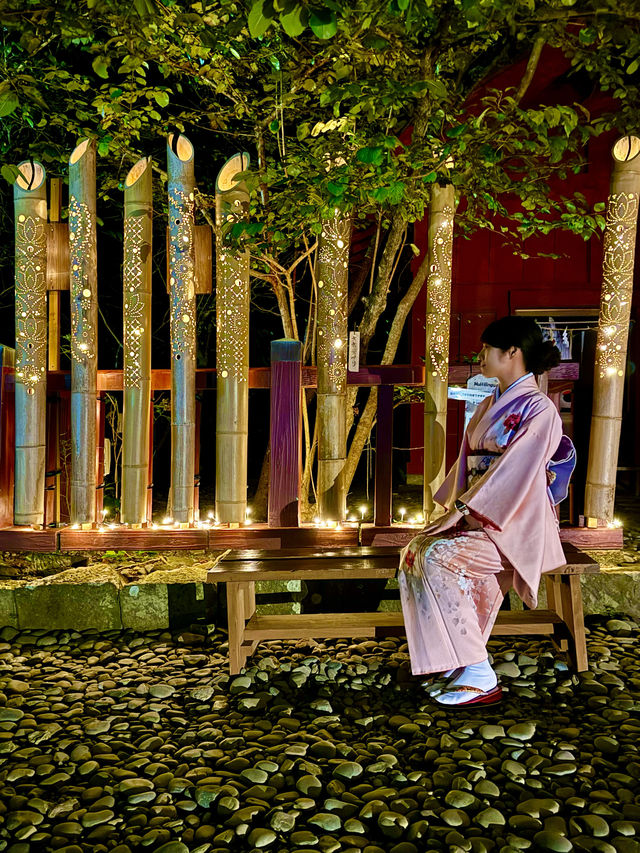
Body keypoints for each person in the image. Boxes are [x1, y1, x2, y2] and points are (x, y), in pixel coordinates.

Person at [398, 315, 567, 706]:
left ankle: (478, 668)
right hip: (481, 514)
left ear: (512, 353)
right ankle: (456, 662)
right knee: (413, 552)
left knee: (440, 557)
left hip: (517, 523)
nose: (480, 356)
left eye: (487, 348)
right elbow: (467, 462)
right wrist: (456, 510)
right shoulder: (490, 403)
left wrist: (462, 510)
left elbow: (515, 474)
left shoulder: (540, 409)